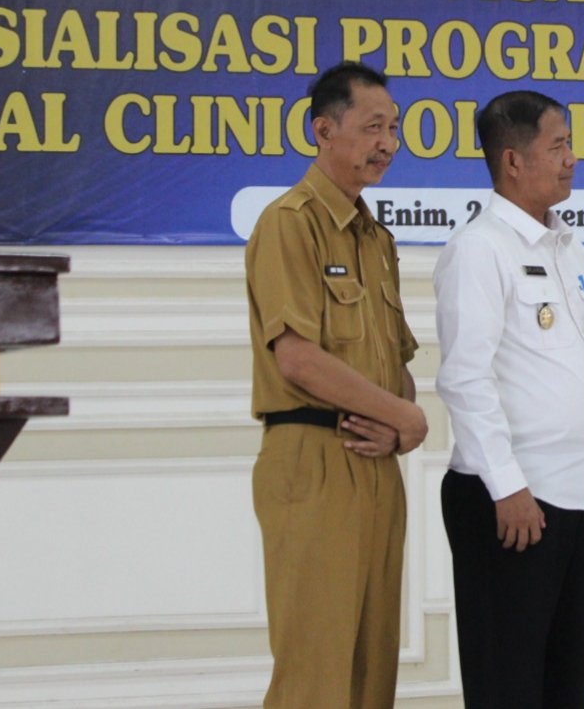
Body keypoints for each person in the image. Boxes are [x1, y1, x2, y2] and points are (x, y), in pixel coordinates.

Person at [434, 90, 584, 708]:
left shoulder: (569, 248)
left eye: (571, 144)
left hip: (574, 495)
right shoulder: (479, 248)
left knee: (564, 688)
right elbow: (465, 378)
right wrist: (507, 486)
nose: (572, 158)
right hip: (513, 502)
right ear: (513, 161)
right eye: (558, 145)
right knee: (508, 688)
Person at [244, 62, 429, 709]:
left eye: (394, 129)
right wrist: (406, 418)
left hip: (376, 462)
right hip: (312, 460)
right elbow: (297, 358)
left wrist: (398, 423)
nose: (388, 143)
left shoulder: (376, 238)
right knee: (315, 673)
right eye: (373, 127)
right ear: (323, 130)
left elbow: (395, 364)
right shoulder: (288, 222)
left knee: (371, 671)